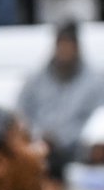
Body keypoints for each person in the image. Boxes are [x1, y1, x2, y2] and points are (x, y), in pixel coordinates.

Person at [16, 21, 104, 154]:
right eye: (61, 45)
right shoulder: (35, 80)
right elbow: (20, 114)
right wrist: (39, 135)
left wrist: (61, 138)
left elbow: (96, 121)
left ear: (78, 48)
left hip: (77, 150)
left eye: (69, 46)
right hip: (37, 146)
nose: (65, 51)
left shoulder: (95, 81)